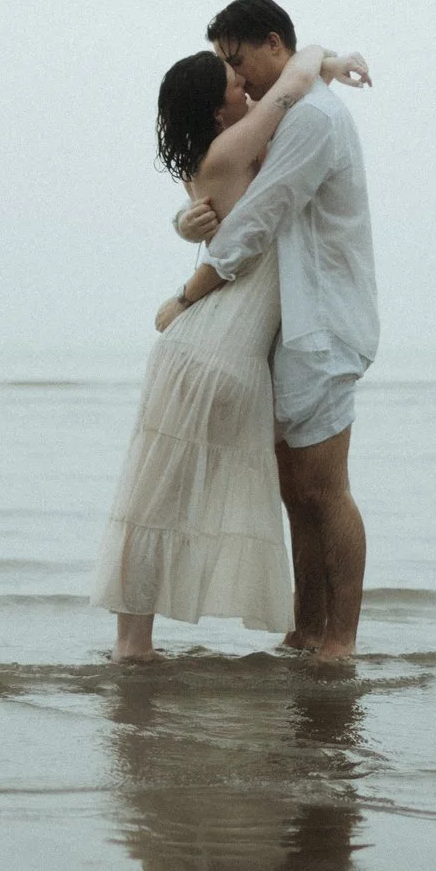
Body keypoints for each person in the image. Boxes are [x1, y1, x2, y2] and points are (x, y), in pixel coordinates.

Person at [90, 36, 369, 658]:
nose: (246, 86)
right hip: (221, 350)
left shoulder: (209, 158)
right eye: (233, 83)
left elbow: (212, 212)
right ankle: (319, 639)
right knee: (179, 499)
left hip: (206, 348)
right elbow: (291, 87)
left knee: (151, 499)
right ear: (219, 112)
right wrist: (325, 58)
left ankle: (133, 645)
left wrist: (183, 234)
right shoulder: (240, 143)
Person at [165, 0, 379, 660]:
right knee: (296, 491)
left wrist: (187, 295)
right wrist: (185, 220)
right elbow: (223, 194)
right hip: (293, 326)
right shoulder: (290, 108)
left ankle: (337, 641)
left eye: (238, 60)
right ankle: (305, 631)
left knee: (324, 489)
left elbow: (260, 215)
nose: (238, 78)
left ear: (271, 44)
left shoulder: (312, 118)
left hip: (324, 321)